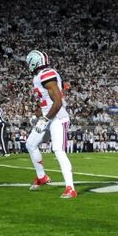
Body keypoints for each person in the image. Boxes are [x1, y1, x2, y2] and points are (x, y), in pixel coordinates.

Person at [24, 50, 77, 199]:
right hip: (49, 117)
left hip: (58, 118)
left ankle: (70, 187)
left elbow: (58, 102)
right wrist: (38, 115)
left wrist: (45, 119)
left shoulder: (47, 74)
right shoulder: (40, 75)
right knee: (30, 144)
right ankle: (42, 176)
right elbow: (46, 102)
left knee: (58, 150)